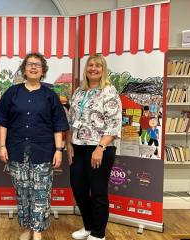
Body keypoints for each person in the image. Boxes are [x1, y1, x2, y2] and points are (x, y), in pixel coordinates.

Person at [0, 52, 69, 240]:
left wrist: (59, 150)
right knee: (23, 192)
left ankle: (37, 230)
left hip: (43, 151)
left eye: (37, 64)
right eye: (30, 64)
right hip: (16, 150)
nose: (33, 67)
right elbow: (2, 121)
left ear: (43, 70)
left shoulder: (50, 96)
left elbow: (59, 125)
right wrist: (2, 146)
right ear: (24, 69)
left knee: (41, 192)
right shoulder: (12, 93)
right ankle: (27, 227)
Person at [67, 54, 122, 240]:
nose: (93, 68)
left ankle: (99, 234)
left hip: (100, 148)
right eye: (90, 65)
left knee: (98, 192)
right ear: (86, 69)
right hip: (78, 147)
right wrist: (69, 144)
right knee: (78, 188)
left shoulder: (109, 91)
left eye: (98, 66)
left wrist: (100, 147)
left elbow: (114, 124)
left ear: (103, 69)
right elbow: (72, 120)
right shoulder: (78, 92)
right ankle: (88, 226)